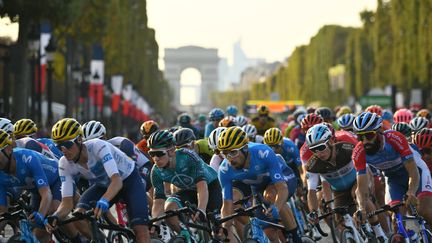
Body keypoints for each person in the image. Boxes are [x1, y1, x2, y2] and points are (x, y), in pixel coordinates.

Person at [46, 118, 150, 242]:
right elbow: (67, 202)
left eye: (67, 144)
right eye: (59, 146)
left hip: (128, 181)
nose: (63, 150)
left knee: (140, 230)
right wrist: (55, 216)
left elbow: (117, 181)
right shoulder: (64, 163)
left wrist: (105, 200)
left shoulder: (98, 146)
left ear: (79, 139)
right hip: (103, 185)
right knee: (79, 215)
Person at [304, 124, 387, 240]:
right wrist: (313, 211)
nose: (318, 153)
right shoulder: (312, 165)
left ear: (331, 141)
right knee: (339, 220)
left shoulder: (347, 149)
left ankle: (380, 234)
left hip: (357, 182)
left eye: (321, 147)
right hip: (339, 192)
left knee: (358, 194)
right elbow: (311, 191)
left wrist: (369, 186)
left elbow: (364, 170)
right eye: (313, 150)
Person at [217, 126, 300, 243]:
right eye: (225, 154)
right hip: (258, 188)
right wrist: (225, 228)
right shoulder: (224, 170)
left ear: (245, 148)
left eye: (233, 152)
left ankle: (296, 237)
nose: (229, 159)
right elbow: (227, 204)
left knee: (270, 195)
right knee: (269, 233)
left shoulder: (263, 152)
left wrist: (276, 207)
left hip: (282, 178)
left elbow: (282, 188)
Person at [352, 112, 432, 226]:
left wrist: (411, 191)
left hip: (416, 172)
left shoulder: (394, 138)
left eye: (369, 135)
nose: (365, 141)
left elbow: (413, 171)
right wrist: (362, 209)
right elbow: (361, 187)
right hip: (393, 180)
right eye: (360, 137)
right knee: (397, 220)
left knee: (425, 211)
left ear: (379, 131)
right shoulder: (359, 152)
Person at [148, 130, 222, 241]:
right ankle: (189, 238)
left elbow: (202, 186)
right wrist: (155, 223)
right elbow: (158, 200)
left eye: (159, 153)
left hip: (210, 187)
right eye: (152, 154)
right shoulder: (156, 171)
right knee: (169, 211)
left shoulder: (188, 157)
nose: (156, 158)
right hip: (188, 190)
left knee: (219, 231)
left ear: (172, 151)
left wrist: (201, 209)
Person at [0, 129, 69, 242]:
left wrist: (41, 215)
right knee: (37, 235)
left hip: (57, 179)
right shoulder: (1, 174)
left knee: (52, 211)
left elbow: (46, 194)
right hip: (37, 191)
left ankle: (78, 238)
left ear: (7, 150)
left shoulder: (27, 158)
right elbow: (3, 212)